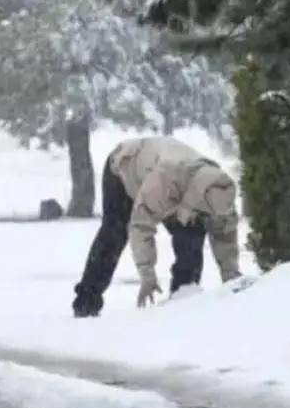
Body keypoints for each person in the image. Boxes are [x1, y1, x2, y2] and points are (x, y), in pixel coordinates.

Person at [72, 136, 242, 318]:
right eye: (202, 213)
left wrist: (230, 275)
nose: (203, 217)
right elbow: (140, 227)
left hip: (172, 181)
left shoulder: (220, 190)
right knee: (115, 231)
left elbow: (225, 233)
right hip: (125, 170)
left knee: (191, 234)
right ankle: (87, 300)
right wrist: (148, 276)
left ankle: (184, 298)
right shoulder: (165, 180)